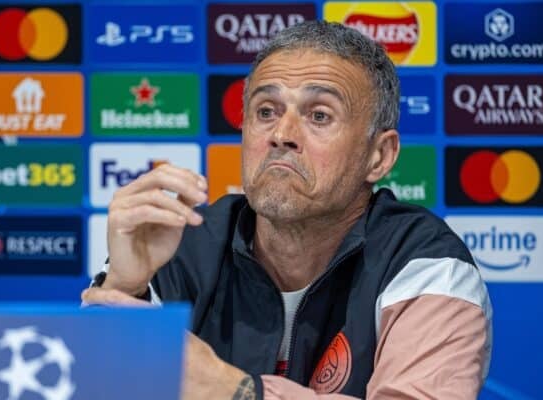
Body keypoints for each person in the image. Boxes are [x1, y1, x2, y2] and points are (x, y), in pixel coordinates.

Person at [82, 20, 492, 400]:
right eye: (266, 112)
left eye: (318, 115)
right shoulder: (182, 242)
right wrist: (124, 286)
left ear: (379, 157)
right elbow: (85, 382)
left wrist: (236, 391)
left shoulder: (425, 263)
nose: (282, 134)